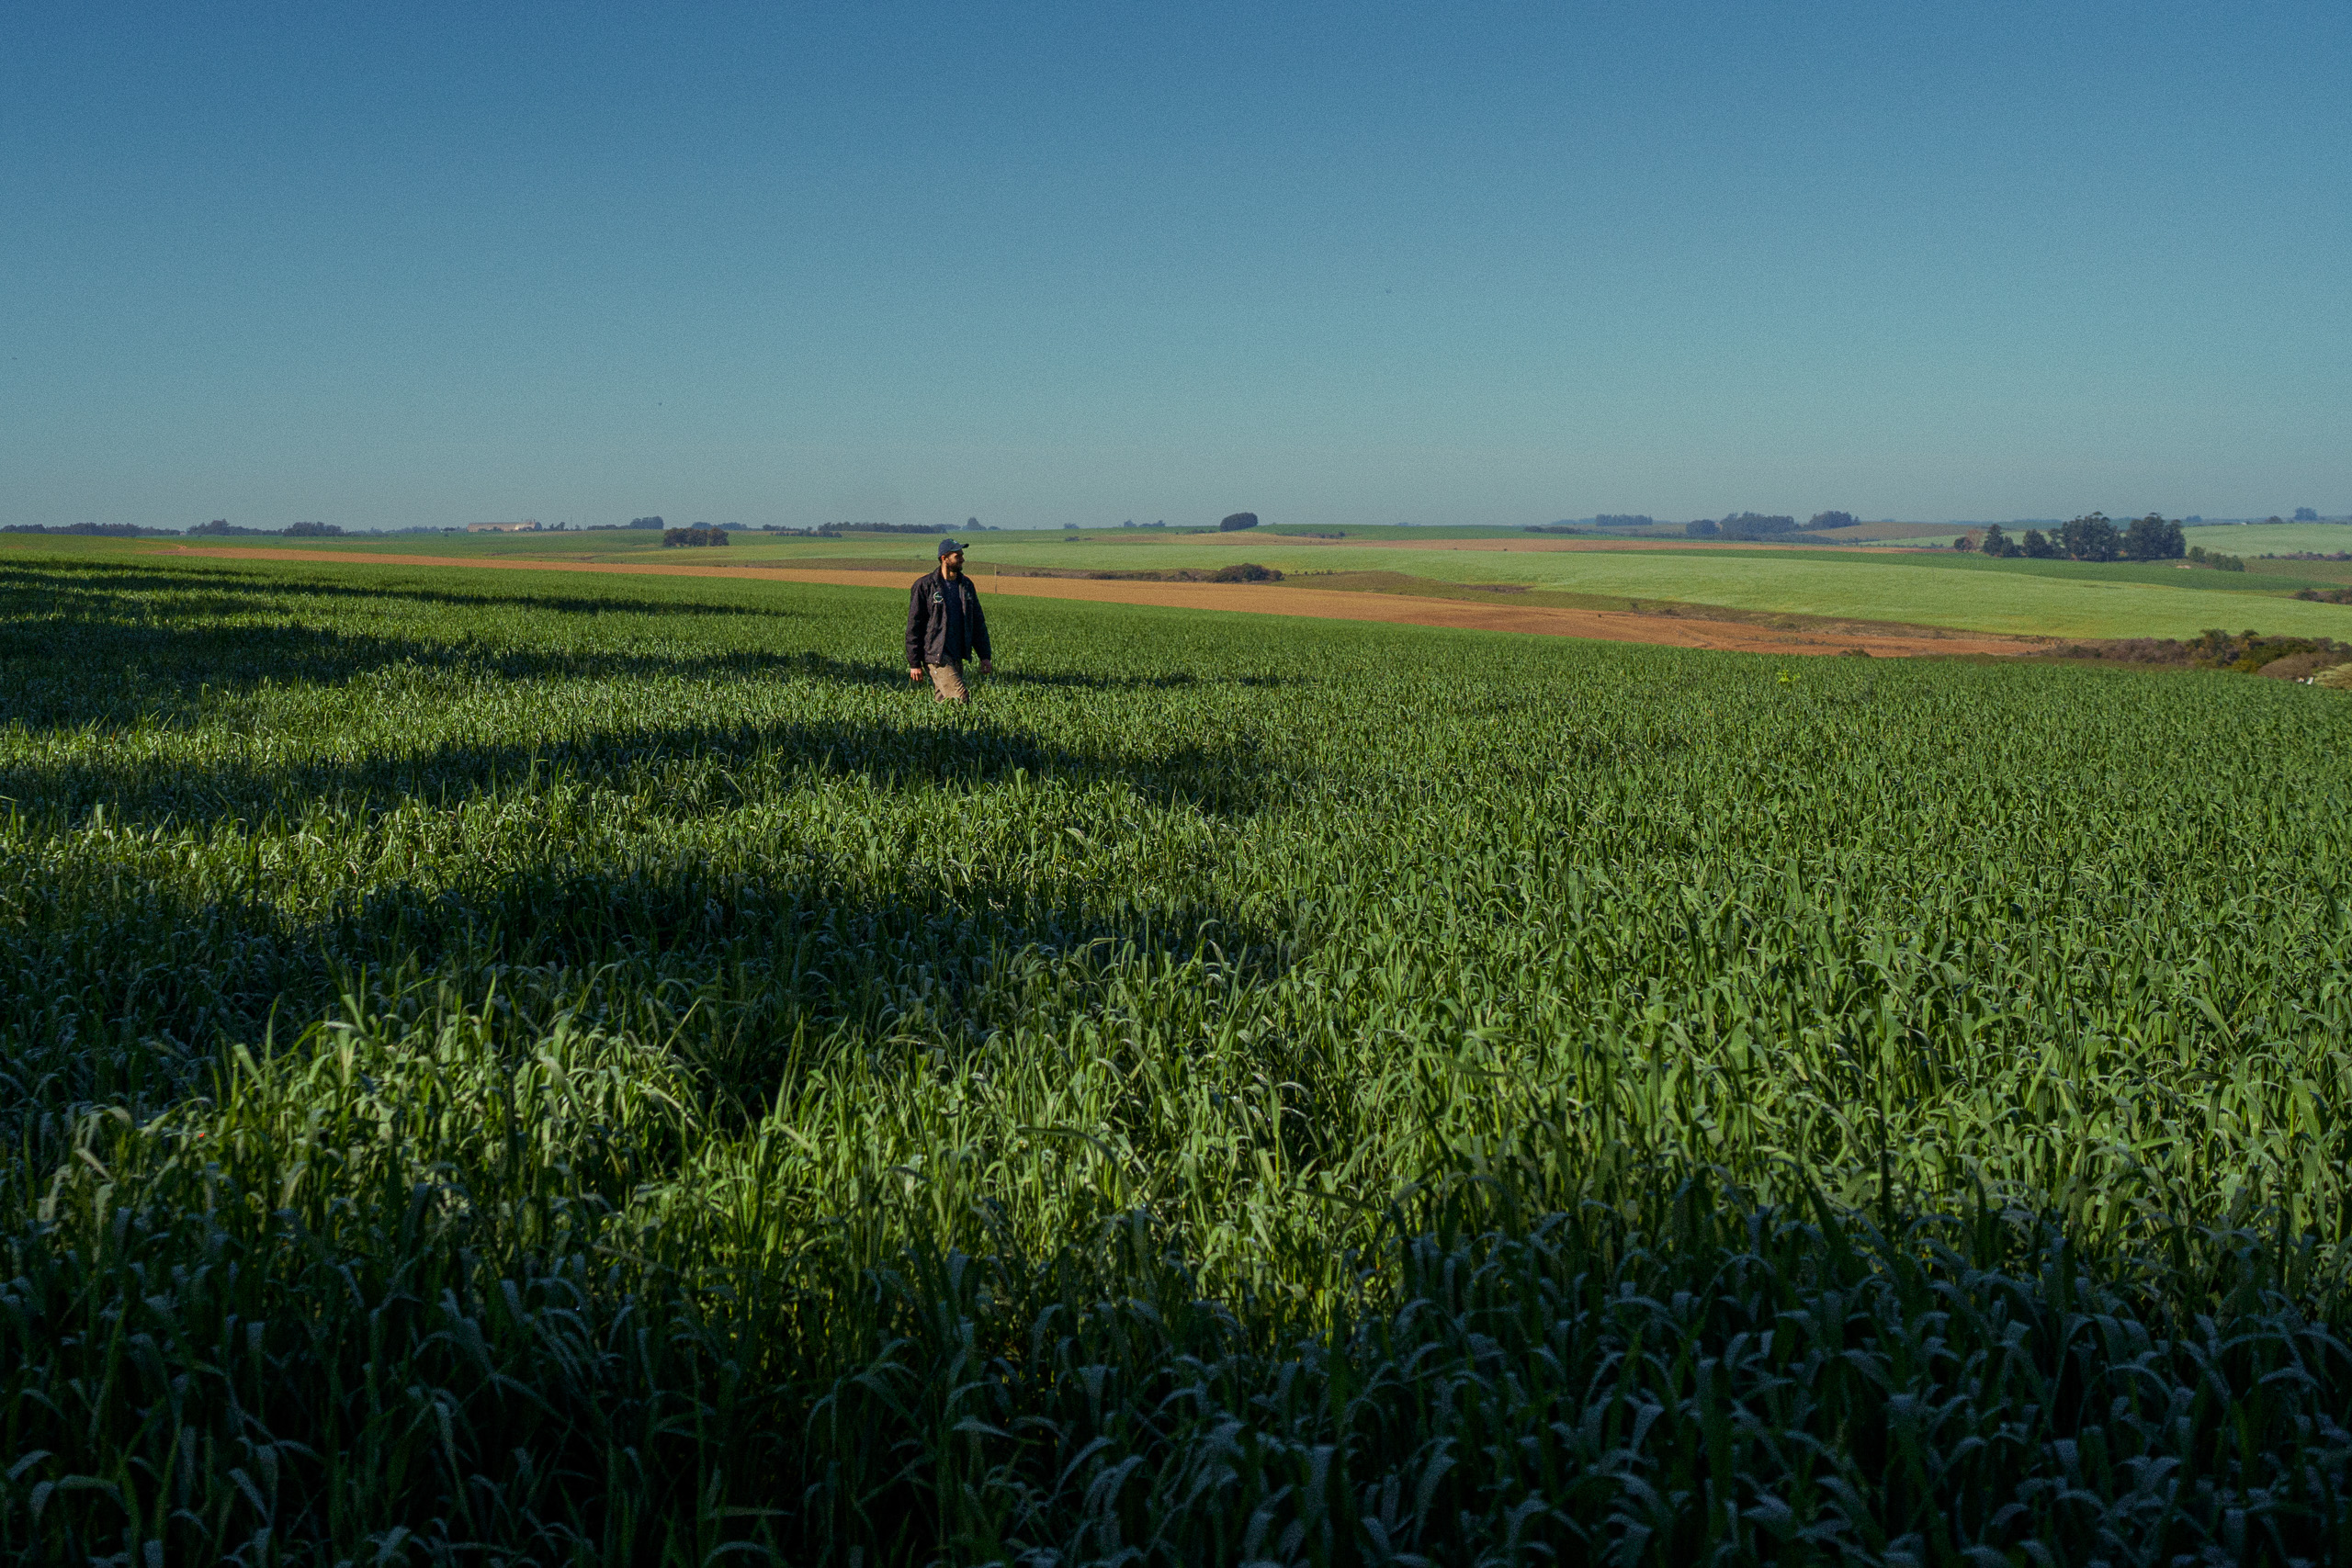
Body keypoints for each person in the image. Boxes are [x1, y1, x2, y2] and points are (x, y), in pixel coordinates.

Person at [905, 537, 994, 701]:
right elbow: (914, 626)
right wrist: (914, 663)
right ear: (944, 558)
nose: (962, 559)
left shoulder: (966, 585)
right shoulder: (925, 586)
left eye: (962, 555)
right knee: (961, 697)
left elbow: (978, 623)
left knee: (944, 702)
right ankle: (969, 726)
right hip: (936, 655)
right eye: (957, 555)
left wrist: (985, 656)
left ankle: (941, 727)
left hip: (957, 654)